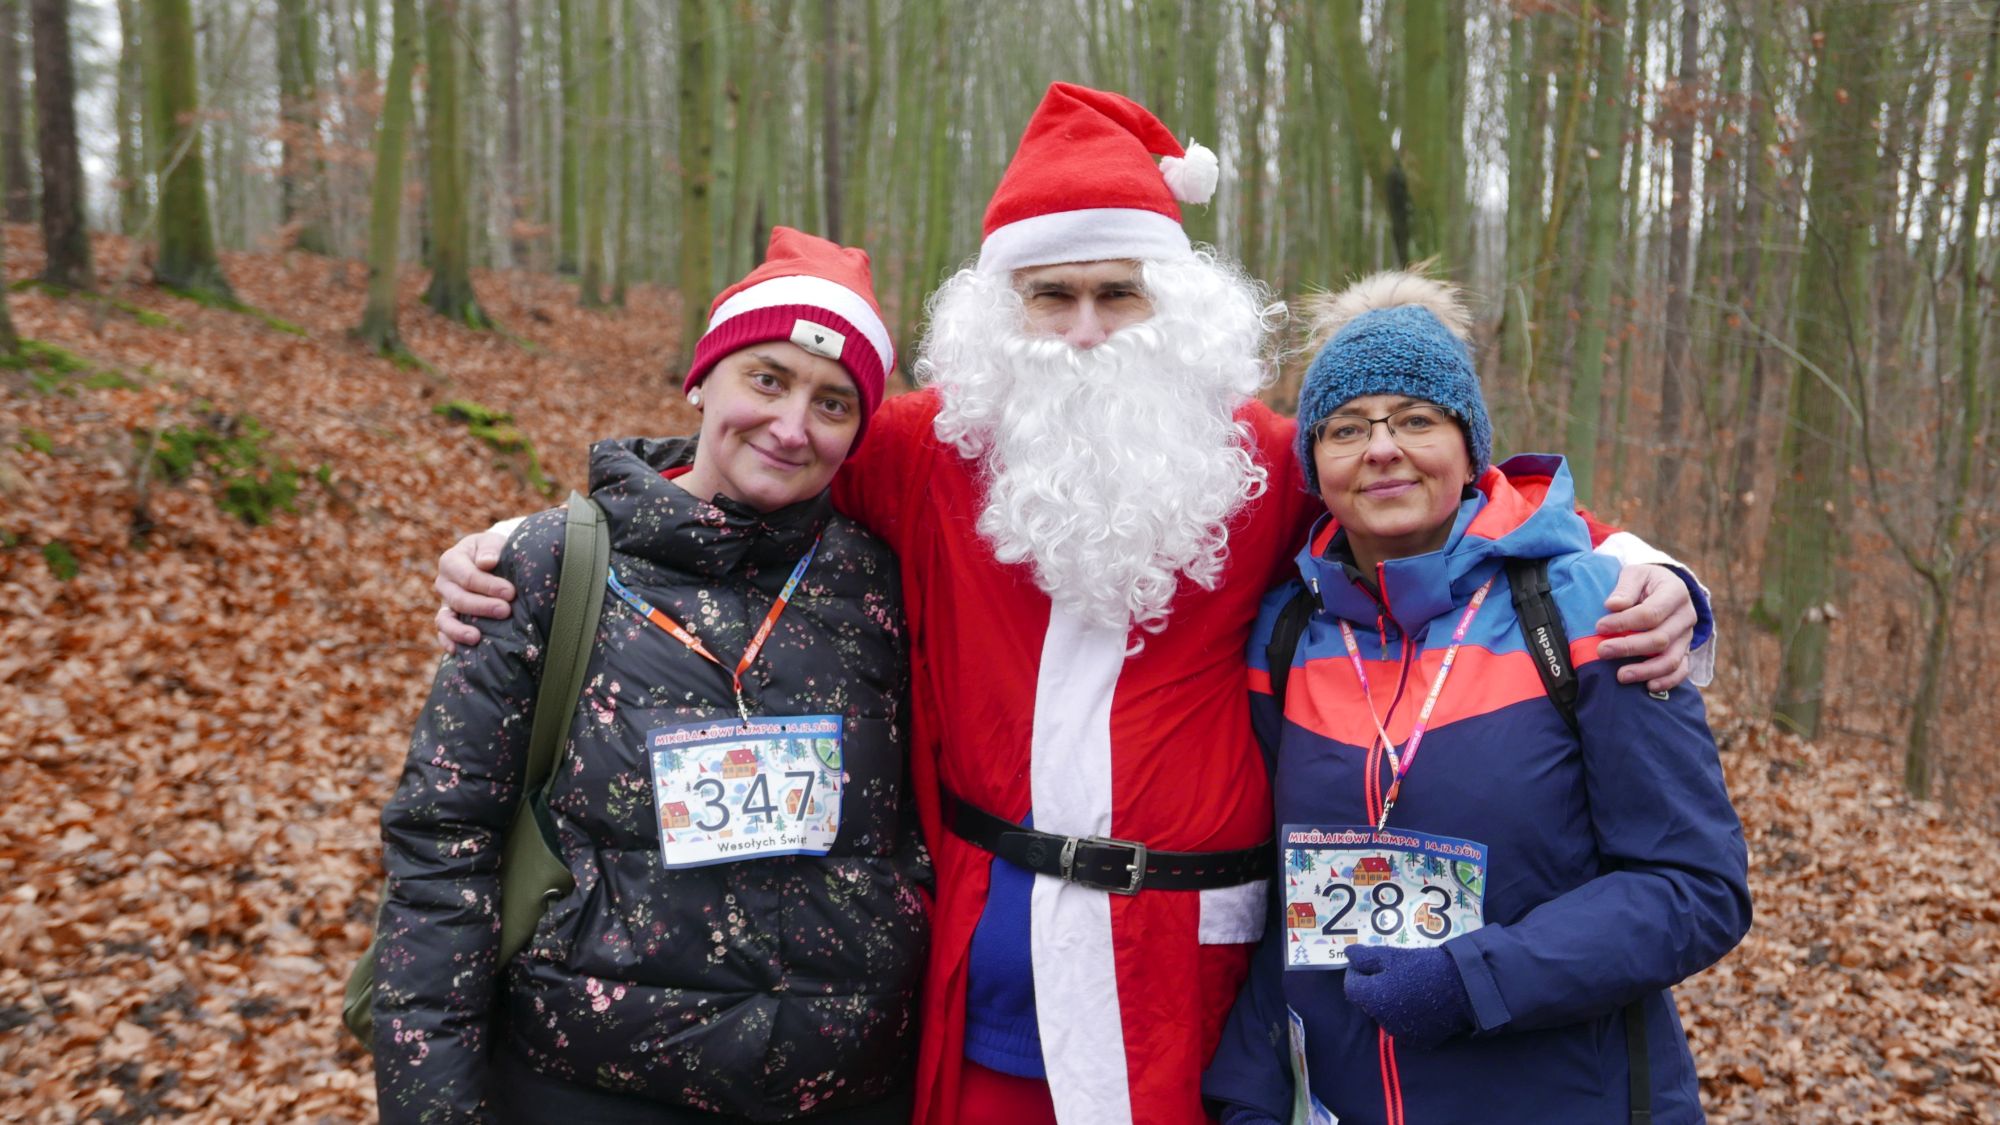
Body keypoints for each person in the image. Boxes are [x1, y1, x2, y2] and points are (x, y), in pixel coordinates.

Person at [431, 84, 1712, 1125]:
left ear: (1175, 304)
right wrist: (539, 542)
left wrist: (1651, 571)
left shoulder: (1263, 459)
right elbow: (754, 462)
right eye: (1052, 295)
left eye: (1117, 291)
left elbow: (1451, 507)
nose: (1087, 327)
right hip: (983, 948)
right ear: (1003, 312)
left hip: (1195, 970)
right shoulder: (928, 448)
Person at [372, 229, 929, 1124]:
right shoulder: (552, 566)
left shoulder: (882, 586)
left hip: (845, 1093)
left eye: (832, 403)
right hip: (591, 1088)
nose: (792, 427)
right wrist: (432, 1104)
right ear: (702, 379)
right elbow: (444, 844)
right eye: (768, 379)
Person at [1201, 273, 1750, 1125]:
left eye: (1417, 419)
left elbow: (1694, 886)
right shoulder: (1285, 635)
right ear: (1315, 464)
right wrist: (1248, 1094)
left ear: (1470, 448)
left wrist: (1477, 979)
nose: (1382, 448)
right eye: (1347, 427)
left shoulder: (1593, 613)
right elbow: (1284, 901)